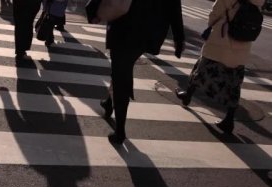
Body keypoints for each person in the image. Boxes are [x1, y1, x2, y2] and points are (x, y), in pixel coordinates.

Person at [97, 0, 186, 144]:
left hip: (125, 25)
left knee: (121, 73)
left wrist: (94, 9)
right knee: (121, 68)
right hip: (150, 31)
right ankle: (109, 103)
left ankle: (120, 130)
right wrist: (179, 37)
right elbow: (174, 6)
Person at [175, 0, 265, 134]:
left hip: (221, 41)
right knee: (234, 83)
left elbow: (214, 15)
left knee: (201, 68)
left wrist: (214, 24)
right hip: (242, 44)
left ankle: (188, 95)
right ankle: (229, 120)